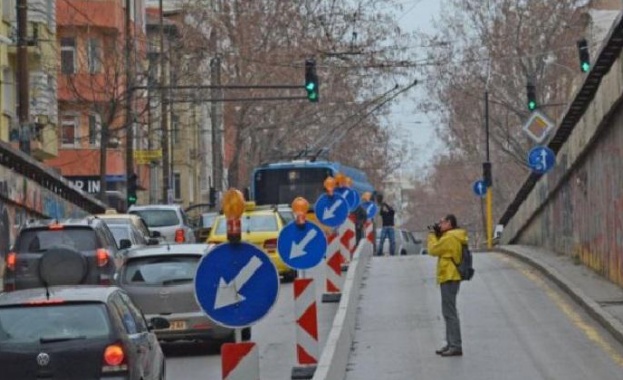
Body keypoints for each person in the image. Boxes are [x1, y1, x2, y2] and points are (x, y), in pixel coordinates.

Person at [427, 214, 468, 357]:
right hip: (448, 276)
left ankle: (455, 345)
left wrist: (432, 235)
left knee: (450, 312)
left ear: (449, 223)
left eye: (442, 222)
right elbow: (442, 248)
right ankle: (450, 343)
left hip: (450, 276)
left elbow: (433, 250)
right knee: (447, 312)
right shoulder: (452, 236)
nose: (440, 224)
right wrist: (438, 234)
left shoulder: (450, 237)